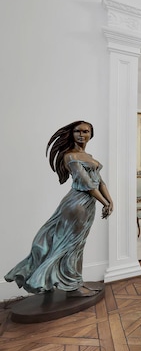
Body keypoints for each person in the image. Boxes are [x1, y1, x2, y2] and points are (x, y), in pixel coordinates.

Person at [4, 120, 113, 297]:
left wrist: (110, 200)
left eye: (86, 131)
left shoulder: (89, 157)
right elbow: (86, 183)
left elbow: (99, 181)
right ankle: (73, 286)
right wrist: (105, 202)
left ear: (90, 135)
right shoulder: (70, 156)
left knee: (78, 245)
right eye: (78, 131)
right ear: (72, 134)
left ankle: (75, 282)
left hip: (89, 203)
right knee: (72, 246)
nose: (81, 134)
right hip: (76, 204)